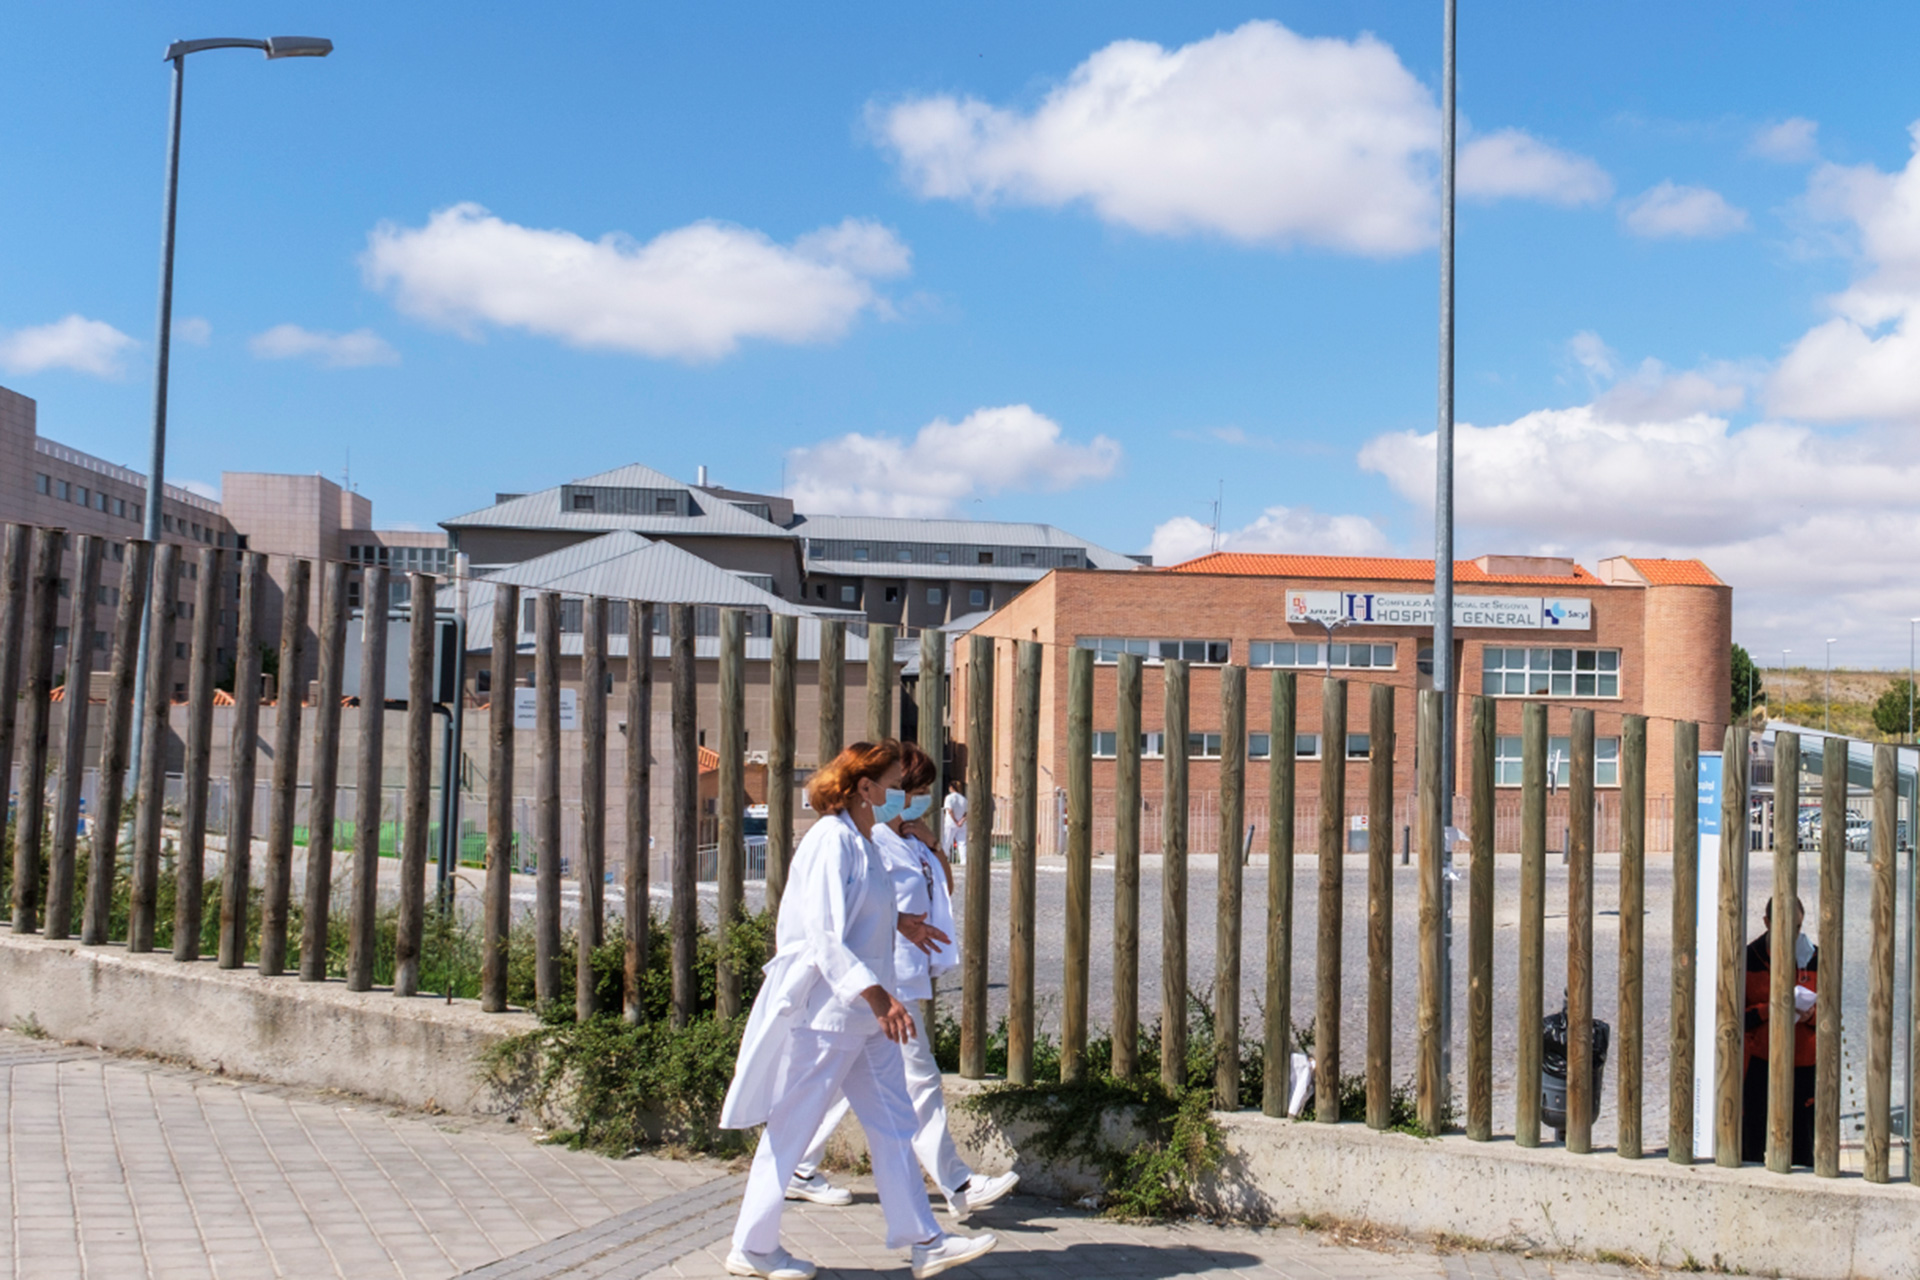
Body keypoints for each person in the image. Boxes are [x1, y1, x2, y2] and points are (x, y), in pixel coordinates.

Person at [720, 740, 997, 1280]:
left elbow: (859, 912)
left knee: (895, 1122)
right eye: (894, 786)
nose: (903, 797)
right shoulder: (831, 840)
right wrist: (878, 997)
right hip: (828, 1016)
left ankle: (925, 1240)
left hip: (864, 1018)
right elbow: (824, 935)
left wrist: (901, 925)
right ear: (865, 787)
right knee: (792, 1128)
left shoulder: (864, 839)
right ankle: (752, 1247)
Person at [786, 742, 1019, 1220]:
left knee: (846, 1084)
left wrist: (932, 845)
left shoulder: (907, 838)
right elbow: (846, 916)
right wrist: (880, 975)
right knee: (919, 1080)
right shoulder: (864, 838)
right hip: (880, 982)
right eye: (910, 789)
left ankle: (796, 1166)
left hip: (898, 976)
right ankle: (957, 1185)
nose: (918, 799)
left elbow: (940, 890)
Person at [1740, 895, 1817, 1166]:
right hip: (1760, 1063)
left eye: (1797, 927)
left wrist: (1811, 1015)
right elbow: (1735, 1018)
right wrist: (1768, 1010)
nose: (1791, 934)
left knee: (1802, 1145)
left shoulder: (1813, 957)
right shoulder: (1748, 958)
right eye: (1783, 926)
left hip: (1803, 1063)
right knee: (1751, 1141)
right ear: (1767, 922)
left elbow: (1830, 1014)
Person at [942, 780, 968, 865]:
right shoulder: (964, 799)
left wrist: (955, 821)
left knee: (947, 841)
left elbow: (949, 810)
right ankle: (964, 860)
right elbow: (966, 812)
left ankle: (944, 859)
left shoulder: (949, 798)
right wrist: (961, 821)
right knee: (962, 842)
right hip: (962, 824)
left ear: (951, 788)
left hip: (950, 823)